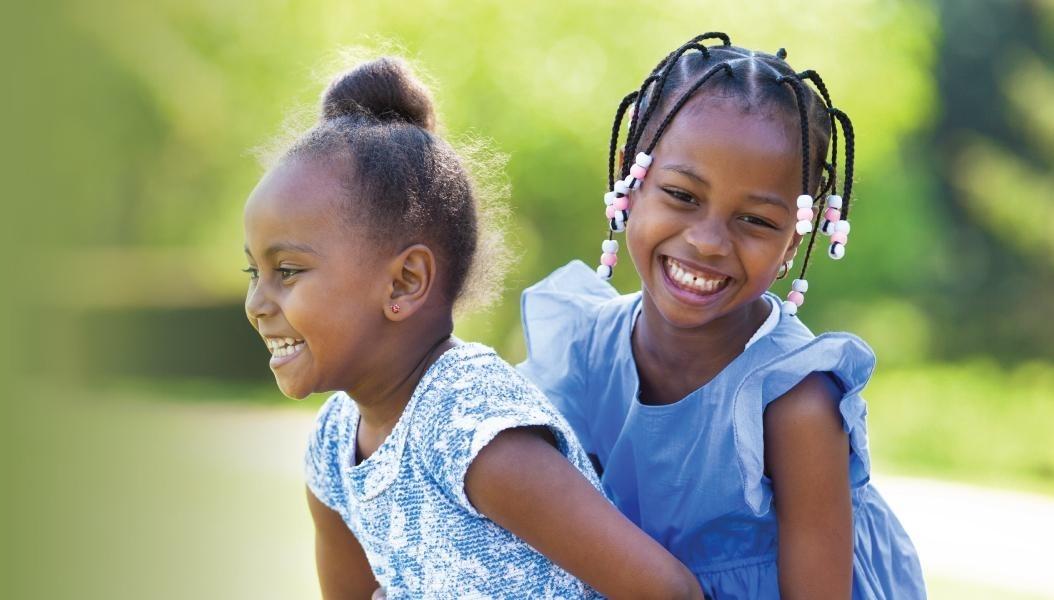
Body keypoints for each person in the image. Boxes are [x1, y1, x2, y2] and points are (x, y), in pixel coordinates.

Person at [245, 55, 701, 599]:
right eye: (255, 271)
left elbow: (669, 592)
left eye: (287, 271)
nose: (256, 301)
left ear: (404, 283)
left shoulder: (472, 428)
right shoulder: (334, 442)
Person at [518, 32, 927, 598]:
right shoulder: (581, 351)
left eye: (756, 221)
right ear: (629, 178)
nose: (708, 242)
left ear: (794, 239)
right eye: (682, 196)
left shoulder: (793, 403)